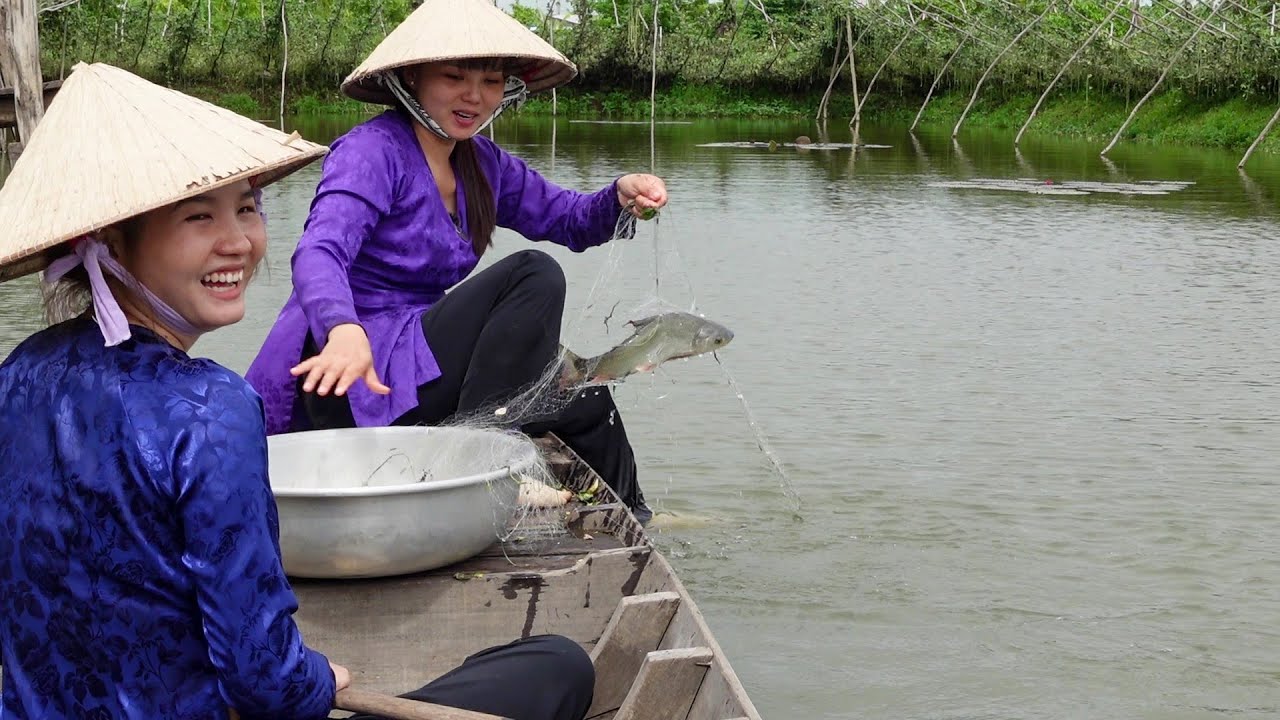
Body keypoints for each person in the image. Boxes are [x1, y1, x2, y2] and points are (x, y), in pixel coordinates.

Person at [0, 62, 593, 720]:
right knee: (554, 669)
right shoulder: (209, 411)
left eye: (248, 208)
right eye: (200, 217)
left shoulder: (18, 372)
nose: (241, 243)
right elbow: (266, 683)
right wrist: (316, 680)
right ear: (107, 242)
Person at [246, 0, 668, 524]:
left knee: (590, 401)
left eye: (491, 81)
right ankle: (480, 464)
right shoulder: (371, 152)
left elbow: (569, 219)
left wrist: (620, 198)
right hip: (352, 375)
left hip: (419, 362)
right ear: (412, 79)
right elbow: (319, 252)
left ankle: (639, 516)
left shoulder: (482, 164)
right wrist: (341, 329)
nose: (474, 96)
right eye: (454, 77)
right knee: (534, 272)